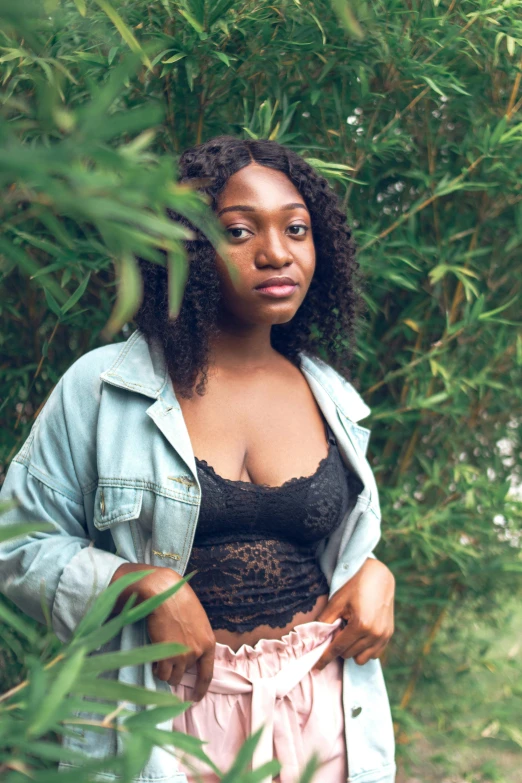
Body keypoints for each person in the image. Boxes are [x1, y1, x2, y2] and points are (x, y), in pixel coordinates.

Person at [0, 136, 396, 783]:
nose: (276, 252)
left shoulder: (334, 399)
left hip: (322, 707)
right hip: (163, 716)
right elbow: (17, 541)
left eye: (296, 228)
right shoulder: (104, 388)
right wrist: (135, 582)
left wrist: (377, 572)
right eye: (239, 231)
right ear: (187, 247)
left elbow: (341, 549)